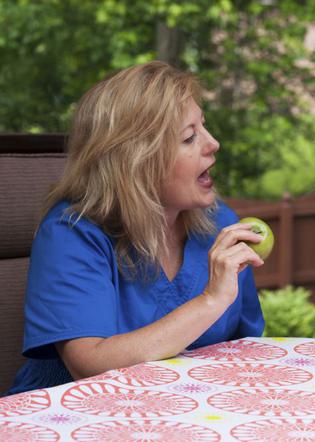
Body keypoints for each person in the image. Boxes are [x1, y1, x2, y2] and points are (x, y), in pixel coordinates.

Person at [6, 61, 265, 395]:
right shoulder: (71, 233)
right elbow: (89, 364)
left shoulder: (221, 224)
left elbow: (245, 349)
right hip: (76, 416)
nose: (213, 143)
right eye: (189, 137)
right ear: (136, 161)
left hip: (187, 413)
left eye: (204, 127)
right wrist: (210, 301)